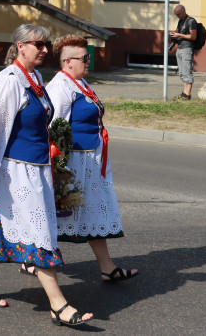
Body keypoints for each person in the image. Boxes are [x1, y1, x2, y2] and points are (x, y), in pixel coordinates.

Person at [0, 24, 93, 327]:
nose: (43, 49)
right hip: (15, 172)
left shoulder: (36, 78)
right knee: (40, 236)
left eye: (45, 44)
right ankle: (58, 305)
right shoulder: (10, 82)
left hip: (38, 169)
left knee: (6, 229)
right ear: (20, 46)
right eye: (37, 44)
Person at [46, 35, 138, 284]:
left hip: (90, 162)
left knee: (93, 212)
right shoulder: (60, 87)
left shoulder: (80, 83)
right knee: (56, 214)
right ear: (68, 62)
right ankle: (33, 260)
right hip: (73, 164)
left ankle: (107, 267)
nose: (89, 61)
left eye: (89, 56)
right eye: (85, 58)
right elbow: (55, 130)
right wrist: (59, 171)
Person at [168, 4, 197, 100]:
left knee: (187, 71)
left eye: (179, 14)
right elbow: (178, 32)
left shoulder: (191, 21)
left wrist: (179, 34)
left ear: (184, 11)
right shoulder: (181, 21)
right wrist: (173, 34)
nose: (178, 16)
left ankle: (187, 94)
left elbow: (193, 37)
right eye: (176, 15)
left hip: (187, 49)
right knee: (182, 72)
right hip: (179, 48)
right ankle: (185, 93)